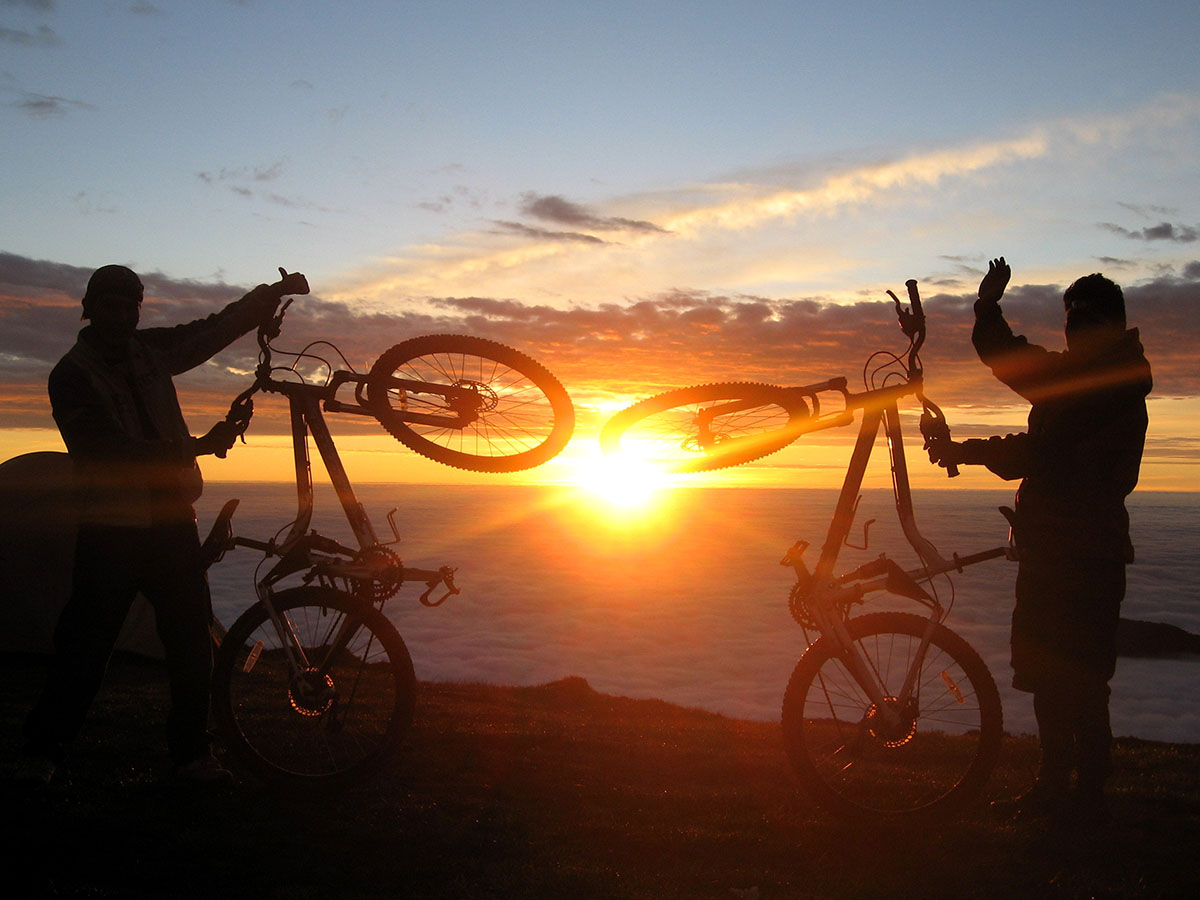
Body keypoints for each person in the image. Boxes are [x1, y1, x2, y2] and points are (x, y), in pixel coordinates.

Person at [20, 263, 309, 786]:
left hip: (173, 523)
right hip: (112, 531)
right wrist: (195, 447)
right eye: (113, 305)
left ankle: (190, 757)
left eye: (131, 305)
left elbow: (212, 330)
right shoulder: (72, 375)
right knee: (85, 649)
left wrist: (269, 295)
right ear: (90, 310)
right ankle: (42, 753)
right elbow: (108, 453)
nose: (124, 315)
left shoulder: (147, 351)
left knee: (191, 645)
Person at [926, 257, 1152, 824]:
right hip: (1060, 551)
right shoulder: (1082, 377)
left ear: (1106, 327)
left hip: (1084, 556)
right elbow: (1013, 362)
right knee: (1054, 676)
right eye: (1071, 323)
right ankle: (1061, 790)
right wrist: (986, 309)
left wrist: (967, 451)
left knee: (1079, 678)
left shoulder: (1109, 389)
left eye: (1083, 324)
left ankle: (1083, 797)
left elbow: (1042, 455)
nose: (1074, 335)